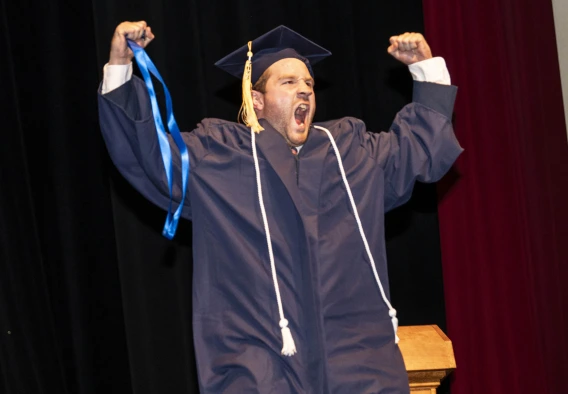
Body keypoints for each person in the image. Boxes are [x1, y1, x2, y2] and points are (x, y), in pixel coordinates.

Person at [98, 21, 462, 393]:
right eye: (288, 82)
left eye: (308, 83)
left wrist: (425, 67)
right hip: (261, 362)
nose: (304, 89)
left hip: (355, 361)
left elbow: (419, 151)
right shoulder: (219, 153)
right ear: (256, 100)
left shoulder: (349, 150)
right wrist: (121, 66)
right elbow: (150, 156)